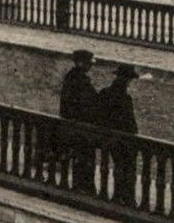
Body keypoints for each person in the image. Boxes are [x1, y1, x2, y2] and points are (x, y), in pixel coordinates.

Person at [96, 64, 143, 204]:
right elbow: (131, 125)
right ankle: (126, 197)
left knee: (119, 165)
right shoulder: (125, 99)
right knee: (127, 166)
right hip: (121, 140)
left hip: (106, 137)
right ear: (126, 80)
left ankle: (119, 195)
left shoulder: (104, 93)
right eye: (129, 80)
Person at [56, 49, 100, 187]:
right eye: (88, 63)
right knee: (84, 156)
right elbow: (88, 102)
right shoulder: (81, 80)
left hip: (71, 123)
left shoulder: (71, 77)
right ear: (81, 63)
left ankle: (79, 183)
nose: (90, 66)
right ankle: (83, 185)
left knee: (78, 157)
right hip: (79, 126)